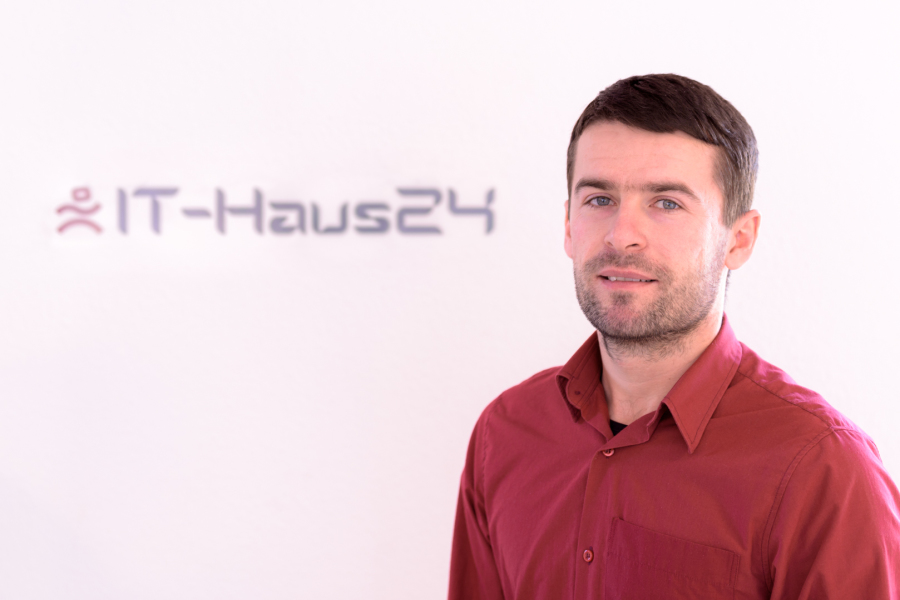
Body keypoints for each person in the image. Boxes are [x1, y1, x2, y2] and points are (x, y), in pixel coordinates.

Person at [448, 74, 900, 599]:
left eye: (666, 203)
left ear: (739, 239)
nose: (622, 235)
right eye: (599, 199)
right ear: (568, 225)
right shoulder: (505, 432)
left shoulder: (824, 470)